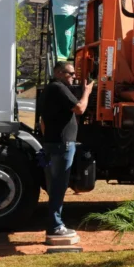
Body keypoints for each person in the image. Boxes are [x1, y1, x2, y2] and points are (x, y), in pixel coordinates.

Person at [38, 61, 94, 243]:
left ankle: (55, 224)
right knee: (59, 186)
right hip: (62, 145)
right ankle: (55, 226)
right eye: (71, 74)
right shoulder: (58, 88)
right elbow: (80, 108)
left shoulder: (49, 89)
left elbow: (43, 121)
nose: (74, 77)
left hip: (53, 143)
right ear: (59, 73)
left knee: (55, 185)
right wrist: (87, 92)